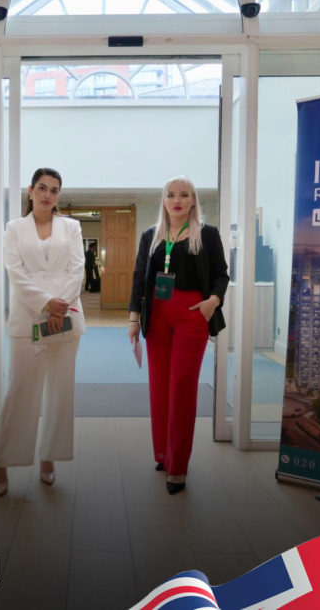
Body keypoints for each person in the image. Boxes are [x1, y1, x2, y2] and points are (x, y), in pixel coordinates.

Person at [127, 176, 229, 494]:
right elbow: (138, 277)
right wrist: (133, 318)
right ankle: (163, 454)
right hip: (157, 315)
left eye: (184, 195)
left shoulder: (206, 234)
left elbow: (221, 273)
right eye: (171, 195)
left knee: (182, 388)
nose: (177, 200)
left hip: (191, 315)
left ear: (193, 200)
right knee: (160, 388)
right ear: (164, 200)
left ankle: (179, 467)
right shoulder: (151, 236)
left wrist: (212, 302)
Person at [0, 167, 86, 496]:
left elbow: (77, 270)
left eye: (55, 190)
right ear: (30, 191)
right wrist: (47, 304)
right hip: (27, 318)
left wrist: (60, 306)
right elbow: (14, 272)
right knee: (20, 392)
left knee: (61, 394)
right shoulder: (14, 228)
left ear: (59, 196)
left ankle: (49, 457)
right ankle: (1, 461)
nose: (48, 195)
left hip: (67, 318)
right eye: (42, 188)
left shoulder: (71, 227)